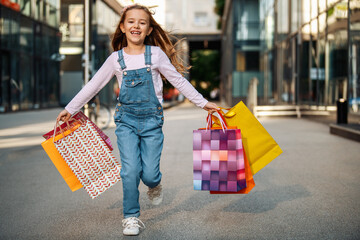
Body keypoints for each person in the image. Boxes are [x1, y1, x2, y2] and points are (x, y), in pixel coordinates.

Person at [57, 4, 219, 236]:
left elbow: (179, 81)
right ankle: (131, 216)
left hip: (152, 122)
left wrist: (204, 103)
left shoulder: (157, 55)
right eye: (131, 21)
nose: (136, 26)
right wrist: (71, 109)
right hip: (126, 122)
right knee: (130, 170)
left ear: (149, 29)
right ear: (123, 27)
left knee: (150, 174)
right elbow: (94, 85)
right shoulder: (115, 59)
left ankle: (154, 185)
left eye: (142, 22)